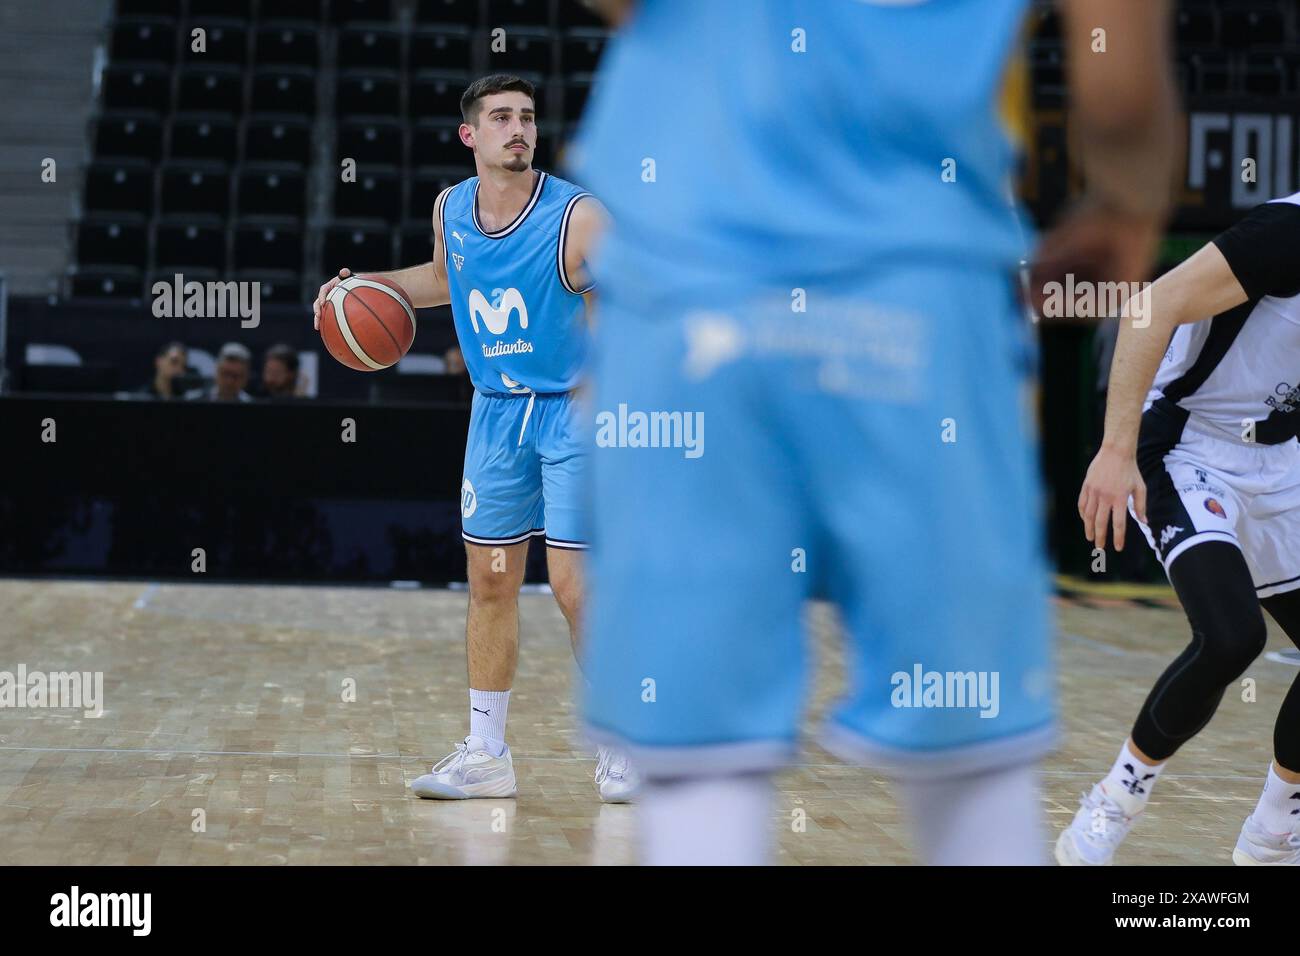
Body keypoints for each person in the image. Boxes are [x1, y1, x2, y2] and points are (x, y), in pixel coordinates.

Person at [569, 0, 1175, 864]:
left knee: (700, 772)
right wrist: (1126, 206)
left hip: (689, 291)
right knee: (976, 775)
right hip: (918, 301)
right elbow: (1118, 95)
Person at [313, 74, 638, 802]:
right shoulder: (451, 208)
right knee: (491, 579)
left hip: (570, 410)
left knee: (572, 581)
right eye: (501, 118)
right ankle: (487, 755)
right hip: (495, 413)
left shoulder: (579, 217)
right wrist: (365, 288)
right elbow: (443, 277)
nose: (518, 128)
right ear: (471, 136)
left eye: (526, 116)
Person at [1059, 192, 1300, 866]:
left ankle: (1273, 831)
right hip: (1188, 445)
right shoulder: (1287, 232)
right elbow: (1150, 307)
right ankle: (1115, 799)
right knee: (1231, 638)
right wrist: (1114, 449)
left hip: (1280, 460)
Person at [185, 342, 253, 403]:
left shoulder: (253, 406)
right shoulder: (192, 401)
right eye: (226, 374)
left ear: (246, 377)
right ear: (216, 371)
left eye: (236, 376)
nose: (229, 381)